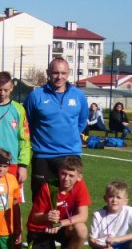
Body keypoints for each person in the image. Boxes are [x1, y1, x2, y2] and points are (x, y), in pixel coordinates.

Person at [23, 58, 88, 199]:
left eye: (63, 73)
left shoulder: (79, 96)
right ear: (48, 73)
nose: (59, 77)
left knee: (69, 202)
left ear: (68, 73)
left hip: (70, 155)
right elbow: (27, 123)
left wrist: (70, 137)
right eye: (55, 73)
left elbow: (82, 122)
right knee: (41, 201)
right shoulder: (35, 96)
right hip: (43, 157)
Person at [25, 156, 92, 249]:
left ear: (79, 177)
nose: (66, 179)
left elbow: (83, 215)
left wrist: (59, 223)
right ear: (58, 172)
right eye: (63, 174)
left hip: (59, 227)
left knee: (81, 229)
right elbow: (34, 218)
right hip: (41, 230)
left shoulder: (80, 186)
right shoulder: (48, 188)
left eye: (71, 176)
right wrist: (46, 216)